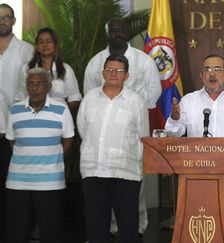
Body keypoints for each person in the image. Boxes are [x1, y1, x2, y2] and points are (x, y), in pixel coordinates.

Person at [165, 54, 224, 243]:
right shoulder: (189, 101)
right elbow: (172, 133)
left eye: (217, 69)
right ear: (201, 75)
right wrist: (175, 118)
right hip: (196, 183)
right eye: (207, 69)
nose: (212, 74)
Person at [83, 17, 161, 237]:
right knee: (104, 179)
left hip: (132, 127)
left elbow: (153, 92)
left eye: (121, 29)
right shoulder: (95, 62)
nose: (117, 33)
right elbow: (89, 96)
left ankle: (137, 227)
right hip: (102, 133)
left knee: (133, 177)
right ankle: (109, 228)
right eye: (113, 30)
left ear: (127, 32)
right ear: (108, 34)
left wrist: (130, 110)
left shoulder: (144, 60)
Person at [77, 54, 148, 243]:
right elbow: (83, 130)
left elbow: (143, 137)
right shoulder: (89, 98)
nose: (113, 73)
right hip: (94, 170)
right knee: (96, 226)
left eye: (118, 70)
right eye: (109, 69)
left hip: (125, 172)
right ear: (103, 73)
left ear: (126, 75)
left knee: (128, 228)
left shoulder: (136, 101)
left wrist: (134, 164)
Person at [4, 67, 75, 243]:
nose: (34, 88)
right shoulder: (15, 110)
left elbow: (68, 139)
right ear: (26, 87)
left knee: (49, 231)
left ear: (49, 87)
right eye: (31, 84)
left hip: (49, 181)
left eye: (39, 84)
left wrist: (52, 160)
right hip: (18, 181)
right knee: (17, 231)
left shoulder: (61, 109)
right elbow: (11, 140)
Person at [0, 3, 33, 240]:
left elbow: (34, 88)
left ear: (13, 20)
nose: (1, 21)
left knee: (14, 186)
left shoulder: (26, 50)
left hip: (14, 129)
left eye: (5, 17)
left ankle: (16, 232)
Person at [16, 27, 82, 112]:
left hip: (59, 118)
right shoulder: (26, 69)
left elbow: (74, 98)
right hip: (31, 117)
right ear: (36, 46)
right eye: (41, 42)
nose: (45, 45)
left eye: (49, 41)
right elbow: (20, 97)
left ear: (55, 44)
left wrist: (62, 114)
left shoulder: (65, 69)